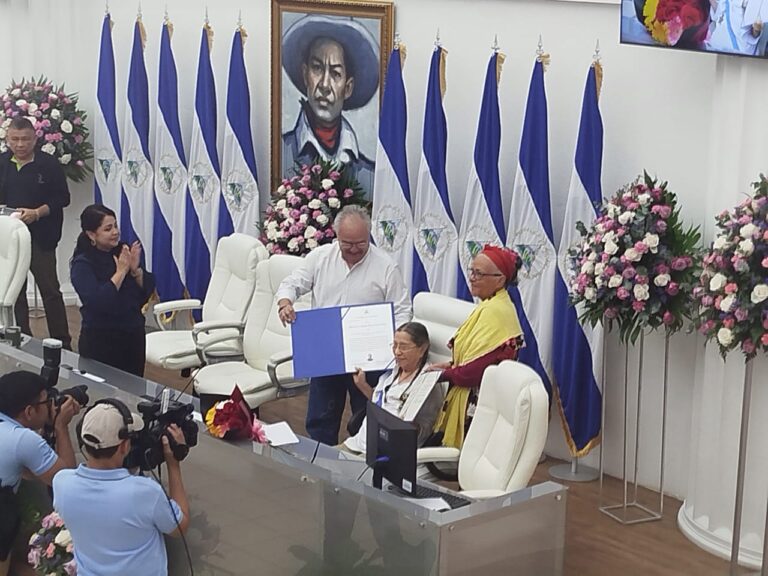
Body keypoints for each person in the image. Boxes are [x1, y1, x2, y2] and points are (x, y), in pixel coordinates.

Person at [276, 205, 411, 446]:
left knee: (364, 416)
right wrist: (285, 302)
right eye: (347, 243)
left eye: (361, 243)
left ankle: (360, 467)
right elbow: (292, 283)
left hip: (367, 354)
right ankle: (319, 465)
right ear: (336, 236)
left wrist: (392, 344)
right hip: (326, 350)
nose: (354, 249)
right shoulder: (320, 258)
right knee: (321, 416)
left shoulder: (386, 266)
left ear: (369, 236)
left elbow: (402, 310)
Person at [53, 399, 189, 576]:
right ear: (125, 446)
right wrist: (173, 464)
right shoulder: (145, 492)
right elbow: (180, 527)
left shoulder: (62, 482)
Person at [428, 245, 525, 449]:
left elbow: (477, 370)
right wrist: (448, 366)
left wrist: (445, 375)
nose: (472, 277)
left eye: (479, 273)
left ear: (500, 280)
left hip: (481, 404)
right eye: (472, 271)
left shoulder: (497, 311)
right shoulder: (489, 304)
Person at [281, 14, 378, 199]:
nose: (324, 85)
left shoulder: (369, 175)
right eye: (317, 68)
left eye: (335, 73)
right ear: (305, 74)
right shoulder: (282, 153)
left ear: (348, 88)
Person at [0, 117, 71, 348]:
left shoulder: (48, 164)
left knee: (50, 290)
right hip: (10, 240)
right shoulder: (2, 162)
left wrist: (37, 213)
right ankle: (22, 338)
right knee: (15, 292)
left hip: (42, 237)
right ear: (7, 139)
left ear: (35, 139)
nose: (20, 145)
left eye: (25, 140)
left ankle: (63, 342)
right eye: (15, 139)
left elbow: (63, 198)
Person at [0, 371, 80, 576]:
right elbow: (66, 480)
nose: (51, 406)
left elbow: (27, 471)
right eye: (46, 402)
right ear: (29, 411)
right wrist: (61, 426)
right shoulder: (24, 440)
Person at [70, 204, 156, 377]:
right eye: (108, 229)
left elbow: (144, 294)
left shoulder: (123, 251)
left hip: (132, 335)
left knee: (133, 390)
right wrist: (121, 272)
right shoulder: (82, 264)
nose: (115, 232)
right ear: (91, 234)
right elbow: (98, 302)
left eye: (115, 226)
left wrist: (135, 271)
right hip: (101, 339)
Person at [343, 322, 444, 455]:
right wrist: (362, 385)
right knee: (318, 463)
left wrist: (409, 426)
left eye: (403, 347)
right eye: (394, 345)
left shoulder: (428, 383)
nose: (397, 352)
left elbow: (427, 430)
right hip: (359, 442)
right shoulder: (390, 374)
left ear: (422, 349)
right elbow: (380, 402)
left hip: (386, 452)